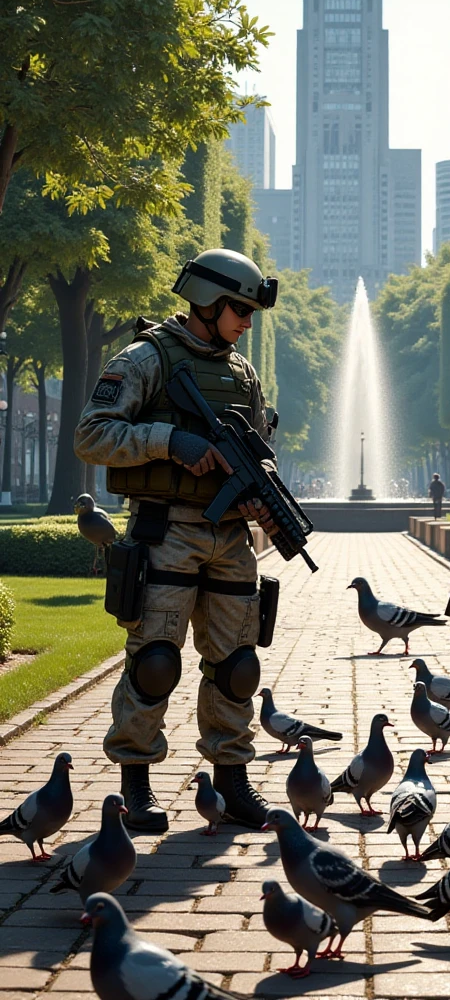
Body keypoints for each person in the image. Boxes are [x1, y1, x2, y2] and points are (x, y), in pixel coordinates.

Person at [75, 248, 280, 833]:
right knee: (155, 663)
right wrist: (169, 440)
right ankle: (135, 788)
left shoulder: (243, 372)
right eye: (239, 309)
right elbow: (92, 434)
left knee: (238, 665)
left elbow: (257, 450)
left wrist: (257, 491)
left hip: (230, 537)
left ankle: (232, 782)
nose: (246, 322)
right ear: (208, 302)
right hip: (165, 531)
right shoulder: (145, 359)